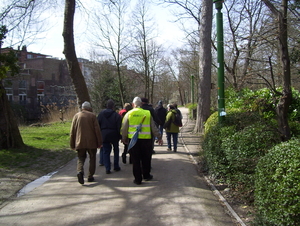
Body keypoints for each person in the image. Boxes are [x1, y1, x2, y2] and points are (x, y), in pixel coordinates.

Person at [121, 97, 163, 185]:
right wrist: (159, 137)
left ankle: (137, 179)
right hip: (146, 140)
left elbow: (124, 127)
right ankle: (146, 175)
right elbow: (153, 127)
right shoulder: (147, 113)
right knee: (146, 159)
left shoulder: (129, 113)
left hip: (134, 140)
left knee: (135, 160)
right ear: (141, 104)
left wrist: (124, 138)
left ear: (133, 104)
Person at [70, 101, 103, 184]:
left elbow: (72, 132)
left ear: (82, 108)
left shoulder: (76, 116)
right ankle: (90, 176)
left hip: (79, 141)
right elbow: (97, 130)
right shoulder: (92, 116)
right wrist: (99, 142)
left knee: (81, 158)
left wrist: (72, 144)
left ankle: (79, 171)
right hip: (92, 142)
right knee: (92, 158)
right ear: (89, 108)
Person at [97, 99, 122, 174]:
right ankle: (116, 166)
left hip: (104, 134)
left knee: (106, 151)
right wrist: (119, 136)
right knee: (116, 150)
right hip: (114, 134)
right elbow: (119, 127)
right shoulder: (116, 115)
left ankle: (107, 168)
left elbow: (98, 125)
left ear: (106, 106)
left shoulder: (101, 114)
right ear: (113, 107)